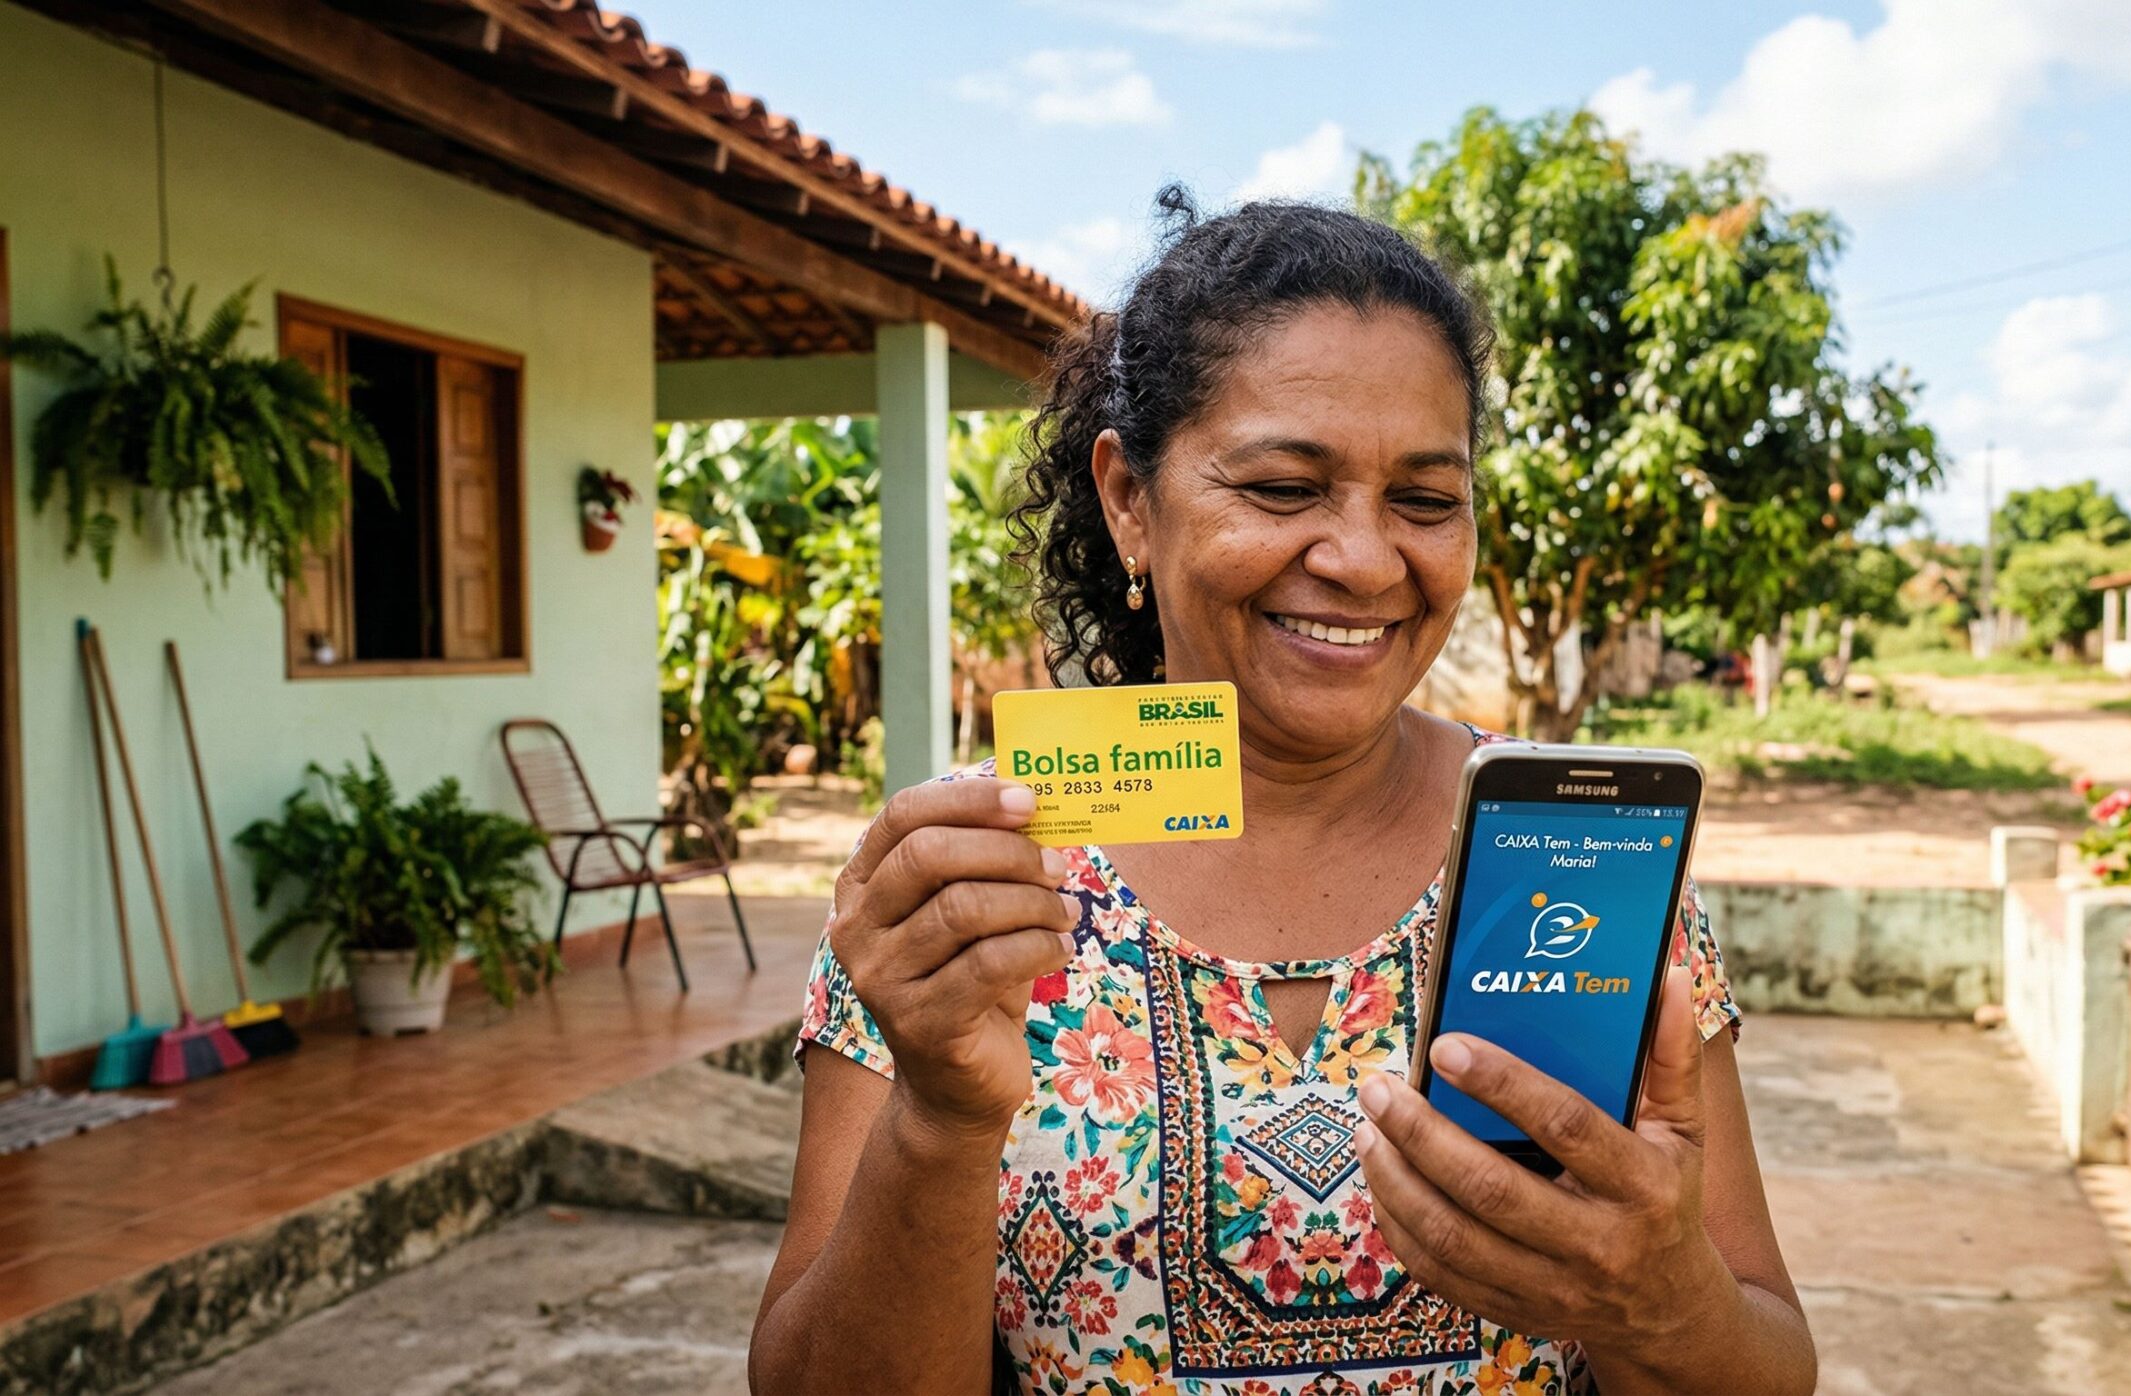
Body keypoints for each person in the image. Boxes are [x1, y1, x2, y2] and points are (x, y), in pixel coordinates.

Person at [752, 190, 1815, 1396]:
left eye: (1425, 500)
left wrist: (1661, 1296)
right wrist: (940, 1121)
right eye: (1279, 487)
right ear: (1129, 500)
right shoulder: (965, 876)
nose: (1362, 559)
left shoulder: (1580, 852)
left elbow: (1766, 1359)